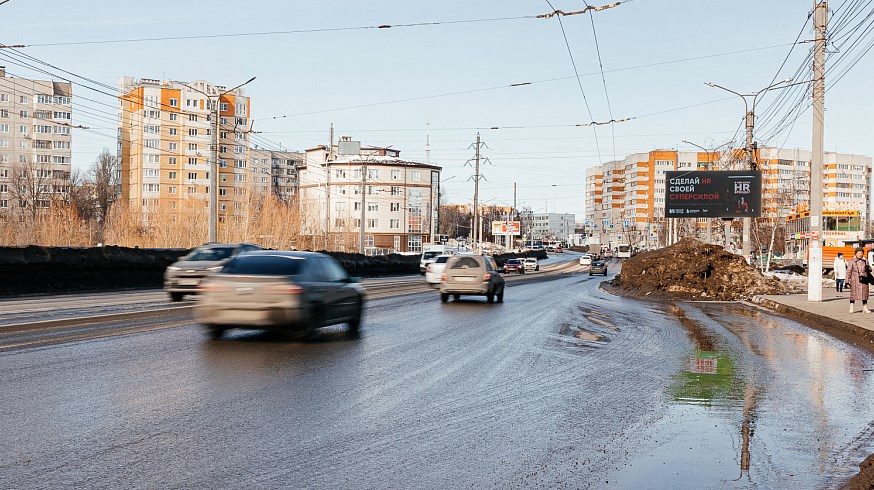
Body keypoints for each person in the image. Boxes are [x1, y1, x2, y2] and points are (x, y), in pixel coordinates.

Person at [847, 247, 871, 313]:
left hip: (864, 280)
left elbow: (870, 269)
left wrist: (868, 267)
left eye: (861, 253)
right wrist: (847, 280)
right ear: (856, 253)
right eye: (859, 253)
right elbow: (849, 271)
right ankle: (851, 307)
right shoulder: (852, 261)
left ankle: (865, 308)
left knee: (864, 295)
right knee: (853, 295)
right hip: (855, 281)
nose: (860, 254)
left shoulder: (865, 261)